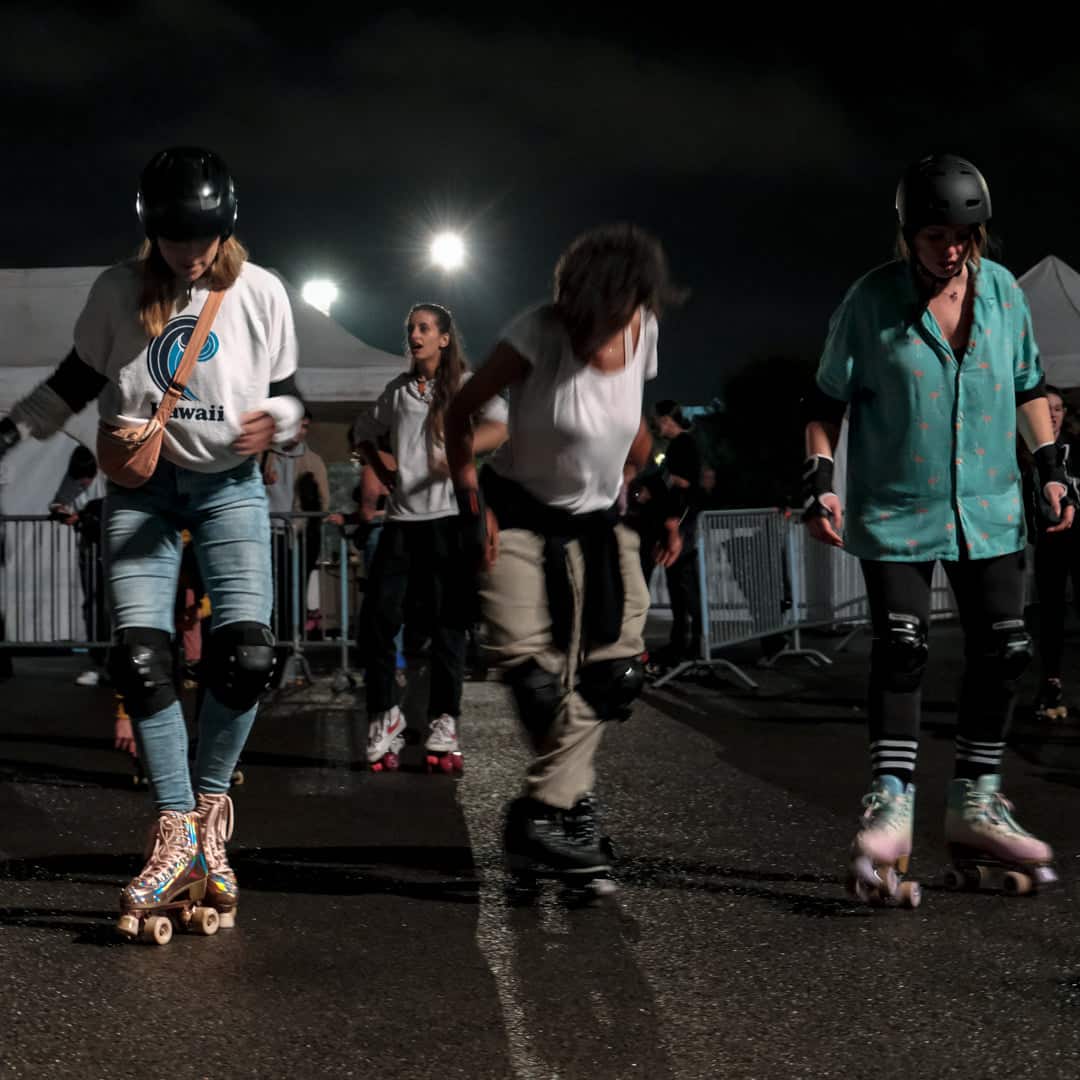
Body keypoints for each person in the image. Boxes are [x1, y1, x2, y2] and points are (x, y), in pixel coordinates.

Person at [0, 146, 303, 942]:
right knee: (140, 656)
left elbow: (289, 393)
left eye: (201, 240)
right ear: (151, 231)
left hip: (229, 485)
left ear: (225, 226)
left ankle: (206, 820)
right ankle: (175, 829)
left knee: (245, 656)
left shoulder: (260, 292)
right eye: (174, 240)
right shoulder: (117, 291)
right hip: (140, 488)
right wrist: (5, 435)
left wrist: (285, 422)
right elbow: (73, 379)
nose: (189, 255)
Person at [802, 153, 1071, 906]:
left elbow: (1028, 387)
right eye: (933, 234)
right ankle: (892, 802)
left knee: (1007, 650)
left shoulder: (1005, 297)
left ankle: (977, 802)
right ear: (907, 233)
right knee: (905, 647)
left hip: (989, 507)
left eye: (962, 233)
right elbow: (822, 402)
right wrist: (822, 484)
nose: (950, 247)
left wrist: (1049, 463)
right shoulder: (870, 301)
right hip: (894, 508)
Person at [445, 223, 683, 895]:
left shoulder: (643, 330)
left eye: (601, 320)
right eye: (577, 315)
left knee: (615, 679)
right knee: (536, 680)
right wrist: (471, 501)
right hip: (516, 512)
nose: (587, 334)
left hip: (599, 525)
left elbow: (629, 421)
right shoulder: (536, 333)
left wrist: (661, 497)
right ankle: (568, 815)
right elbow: (458, 413)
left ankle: (544, 815)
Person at [352, 304, 508, 772]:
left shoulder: (464, 384)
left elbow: (501, 425)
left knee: (448, 626)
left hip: (448, 520)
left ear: (443, 338)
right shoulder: (397, 392)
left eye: (424, 328)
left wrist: (459, 453)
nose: (414, 335)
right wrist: (383, 470)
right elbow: (362, 434)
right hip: (401, 523)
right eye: (411, 329)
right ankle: (387, 715)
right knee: (377, 622)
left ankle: (444, 720)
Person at [1024, 385, 1080, 721]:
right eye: (1046, 409)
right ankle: (1051, 683)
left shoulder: (1078, 450)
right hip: (1049, 542)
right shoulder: (1027, 453)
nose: (1052, 415)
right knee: (1051, 616)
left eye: (1058, 409)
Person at [263, 409, 329, 675]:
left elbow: (322, 502)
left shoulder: (312, 460)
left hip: (297, 538)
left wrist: (306, 525)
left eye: (305, 428)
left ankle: (290, 651)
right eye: (297, 426)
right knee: (268, 595)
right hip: (266, 534)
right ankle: (269, 651)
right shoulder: (263, 455)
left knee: (294, 594)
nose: (300, 432)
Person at [638, 400, 703, 670]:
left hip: (681, 522)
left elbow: (687, 481)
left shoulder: (683, 445)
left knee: (684, 586)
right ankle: (683, 644)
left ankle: (693, 646)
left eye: (658, 420)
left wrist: (661, 483)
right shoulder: (682, 444)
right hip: (679, 521)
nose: (656, 425)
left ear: (668, 419)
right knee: (680, 586)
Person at [48, 443, 108, 684]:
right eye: (79, 478)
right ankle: (97, 661)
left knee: (114, 607)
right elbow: (56, 503)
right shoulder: (73, 477)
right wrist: (61, 512)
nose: (83, 483)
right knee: (93, 606)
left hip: (114, 548)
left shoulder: (109, 471)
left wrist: (86, 514)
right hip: (90, 549)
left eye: (87, 478)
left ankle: (117, 660)